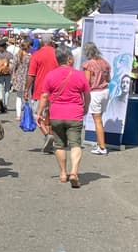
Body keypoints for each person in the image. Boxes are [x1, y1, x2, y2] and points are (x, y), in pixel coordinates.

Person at [37, 45, 91, 187]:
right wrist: (85, 108)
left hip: (56, 114)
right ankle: (73, 172)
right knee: (75, 144)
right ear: (69, 59)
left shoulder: (50, 75)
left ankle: (62, 173)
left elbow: (44, 96)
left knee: (59, 145)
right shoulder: (79, 75)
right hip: (74, 113)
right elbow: (87, 94)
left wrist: (39, 113)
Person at [80, 43, 111, 156]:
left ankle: (102, 147)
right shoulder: (105, 63)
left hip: (95, 93)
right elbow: (109, 79)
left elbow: (86, 82)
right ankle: (100, 144)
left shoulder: (88, 65)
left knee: (97, 120)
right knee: (99, 118)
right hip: (105, 91)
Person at [0, 41, 13, 114]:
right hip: (7, 73)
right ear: (5, 46)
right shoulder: (9, 54)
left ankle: (0, 99)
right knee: (7, 90)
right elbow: (11, 64)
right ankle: (6, 105)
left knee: (0, 89)